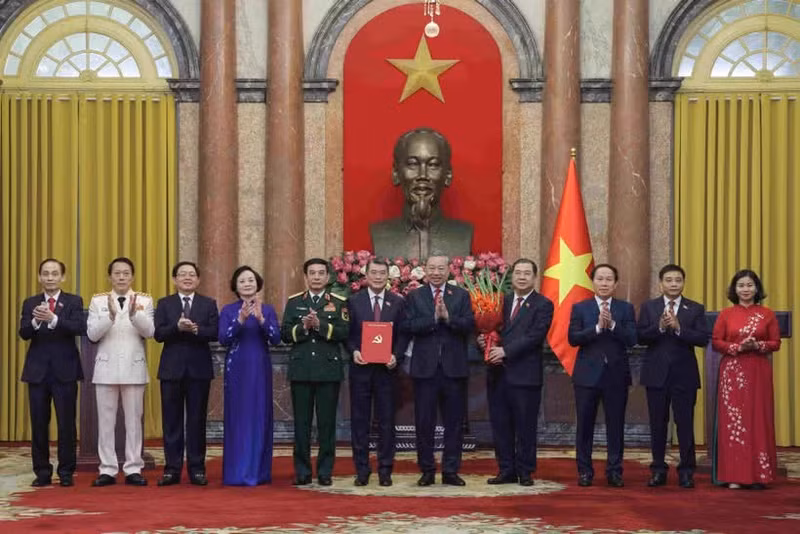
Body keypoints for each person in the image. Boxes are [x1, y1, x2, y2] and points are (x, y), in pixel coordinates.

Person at [479, 258, 553, 487]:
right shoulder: (499, 300)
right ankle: (506, 469)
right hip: (497, 374)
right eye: (517, 273)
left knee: (525, 426)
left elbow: (534, 337)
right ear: (511, 277)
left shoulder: (543, 304)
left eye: (526, 273)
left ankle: (526, 471)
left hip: (525, 376)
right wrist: (484, 342)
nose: (521, 277)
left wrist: (505, 351)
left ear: (534, 277)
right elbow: (491, 328)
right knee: (501, 425)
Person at [403, 252, 475, 486]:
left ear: (449, 270)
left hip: (454, 370)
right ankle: (427, 470)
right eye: (431, 268)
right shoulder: (415, 296)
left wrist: (448, 318)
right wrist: (434, 319)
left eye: (440, 268)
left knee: (454, 423)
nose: (436, 272)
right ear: (425, 270)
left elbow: (468, 325)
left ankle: (451, 470)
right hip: (425, 370)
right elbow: (408, 326)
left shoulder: (461, 296)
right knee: (424, 422)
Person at [637, 264, 709, 489]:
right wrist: (658, 327)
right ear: (661, 283)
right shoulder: (650, 307)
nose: (673, 284)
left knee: (685, 425)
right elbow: (640, 337)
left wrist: (679, 328)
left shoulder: (695, 308)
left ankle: (687, 471)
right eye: (669, 280)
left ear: (683, 283)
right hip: (656, 375)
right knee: (658, 425)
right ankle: (658, 470)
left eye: (677, 280)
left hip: (684, 376)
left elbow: (702, 338)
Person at [281, 258, 349, 486]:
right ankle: (302, 470)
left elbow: (344, 332)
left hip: (328, 370)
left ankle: (325, 470)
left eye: (321, 273)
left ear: (328, 277)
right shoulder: (294, 303)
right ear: (305, 277)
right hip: (301, 370)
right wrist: (303, 327)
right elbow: (285, 334)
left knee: (327, 424)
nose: (317, 277)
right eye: (312, 273)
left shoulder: (338, 302)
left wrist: (320, 326)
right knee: (301, 424)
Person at [87, 257, 154, 487]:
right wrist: (111, 317)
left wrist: (135, 315)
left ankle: (133, 467)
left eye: (126, 273)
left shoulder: (144, 299)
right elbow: (93, 335)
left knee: (134, 420)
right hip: (106, 368)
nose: (122, 277)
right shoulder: (98, 301)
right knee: (106, 421)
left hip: (134, 367)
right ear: (110, 277)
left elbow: (150, 332)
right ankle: (107, 469)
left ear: (132, 276)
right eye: (117, 273)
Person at [19, 258, 86, 487]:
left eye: (54, 273)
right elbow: (24, 333)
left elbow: (79, 328)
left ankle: (66, 472)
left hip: (65, 371)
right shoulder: (30, 303)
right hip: (37, 372)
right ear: (39, 277)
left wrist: (54, 319)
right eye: (45, 273)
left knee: (67, 423)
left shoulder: (73, 301)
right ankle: (42, 472)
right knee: (39, 423)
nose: (49, 277)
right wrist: (37, 322)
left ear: (62, 277)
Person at [568, 263, 636, 488]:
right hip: (587, 376)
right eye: (600, 279)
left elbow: (632, 339)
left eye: (609, 279)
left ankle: (614, 471)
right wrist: (597, 328)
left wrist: (613, 325)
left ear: (616, 284)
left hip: (616, 376)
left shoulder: (625, 309)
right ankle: (584, 471)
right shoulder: (580, 308)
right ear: (593, 282)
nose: (604, 283)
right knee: (584, 425)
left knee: (615, 426)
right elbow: (573, 338)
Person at [711, 269, 780, 489]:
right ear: (734, 289)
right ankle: (734, 476)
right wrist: (737, 347)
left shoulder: (767, 313)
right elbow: (716, 342)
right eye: (741, 285)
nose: (746, 289)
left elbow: (775, 342)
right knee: (734, 422)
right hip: (732, 371)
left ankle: (759, 476)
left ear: (757, 288)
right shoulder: (726, 314)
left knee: (759, 419)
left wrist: (757, 345)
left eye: (750, 285)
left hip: (758, 370)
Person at [154, 261, 219, 486]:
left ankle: (197, 468)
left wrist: (196, 329)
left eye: (192, 274)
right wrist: (176, 327)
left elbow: (215, 332)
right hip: (171, 371)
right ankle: (171, 469)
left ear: (198, 280)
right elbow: (159, 334)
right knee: (171, 422)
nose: (187, 278)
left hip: (199, 371)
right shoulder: (164, 304)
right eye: (182, 275)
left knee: (196, 421)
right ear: (174, 280)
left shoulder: (208, 304)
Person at [346, 257, 408, 487]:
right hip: (361, 370)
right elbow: (348, 335)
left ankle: (385, 469)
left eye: (382, 273)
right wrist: (353, 351)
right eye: (374, 272)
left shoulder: (398, 302)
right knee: (360, 421)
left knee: (386, 422)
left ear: (388, 277)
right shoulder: (354, 301)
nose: (378, 277)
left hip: (387, 372)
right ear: (366, 275)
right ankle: (362, 469)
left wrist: (396, 356)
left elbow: (403, 335)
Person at [218, 265, 281, 486]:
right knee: (238, 417)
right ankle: (237, 472)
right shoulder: (227, 310)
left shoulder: (268, 309)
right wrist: (240, 320)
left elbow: (276, 338)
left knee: (259, 415)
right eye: (242, 280)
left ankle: (258, 471)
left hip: (259, 368)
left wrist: (262, 319)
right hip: (237, 368)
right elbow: (223, 339)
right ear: (235, 286)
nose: (247, 284)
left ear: (258, 284)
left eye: (251, 280)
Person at [370, 127, 473, 259]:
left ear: (448, 174)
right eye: (412, 164)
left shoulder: (463, 234)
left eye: (433, 165)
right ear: (396, 173)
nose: (422, 175)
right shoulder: (380, 234)